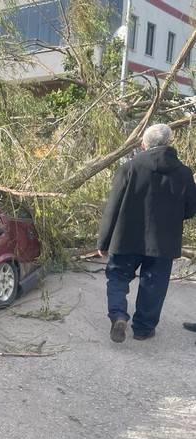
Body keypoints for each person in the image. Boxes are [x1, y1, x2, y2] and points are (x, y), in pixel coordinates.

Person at [97, 123, 196, 343]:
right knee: (154, 283)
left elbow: (113, 207)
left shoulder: (130, 167)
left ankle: (119, 315)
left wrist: (103, 241)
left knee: (117, 276)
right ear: (169, 143)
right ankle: (143, 329)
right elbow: (191, 208)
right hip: (164, 241)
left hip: (126, 237)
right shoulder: (184, 173)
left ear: (144, 144)